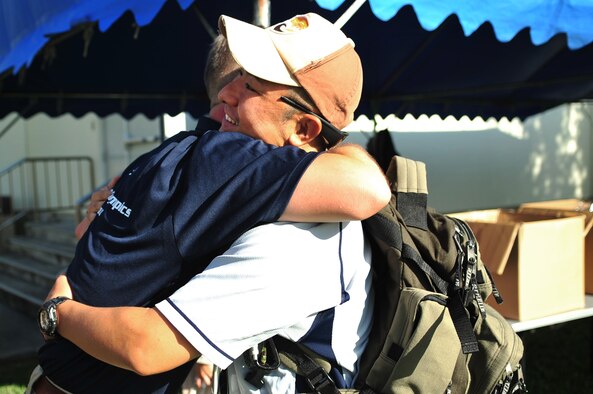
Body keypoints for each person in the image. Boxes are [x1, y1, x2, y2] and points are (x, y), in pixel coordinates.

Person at [32, 12, 387, 393]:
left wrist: (58, 313)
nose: (225, 95)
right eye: (236, 78)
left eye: (250, 87)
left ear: (303, 129)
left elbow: (146, 347)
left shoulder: (300, 241)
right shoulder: (239, 182)